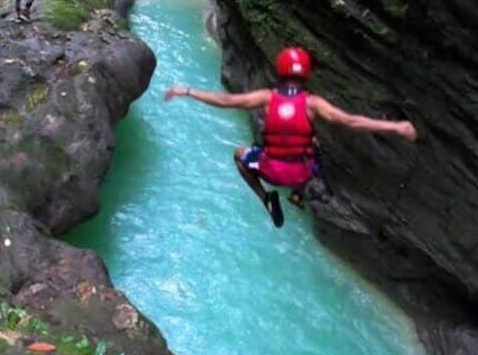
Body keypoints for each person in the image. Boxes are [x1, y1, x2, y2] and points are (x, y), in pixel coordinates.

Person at [164, 47, 417, 228]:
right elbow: (351, 121)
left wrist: (187, 90)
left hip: (271, 170)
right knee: (312, 145)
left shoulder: (267, 98)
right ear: (306, 74)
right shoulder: (313, 103)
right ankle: (297, 193)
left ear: (280, 71)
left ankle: (266, 199)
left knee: (240, 154)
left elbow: (226, 101)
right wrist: (396, 127)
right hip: (302, 173)